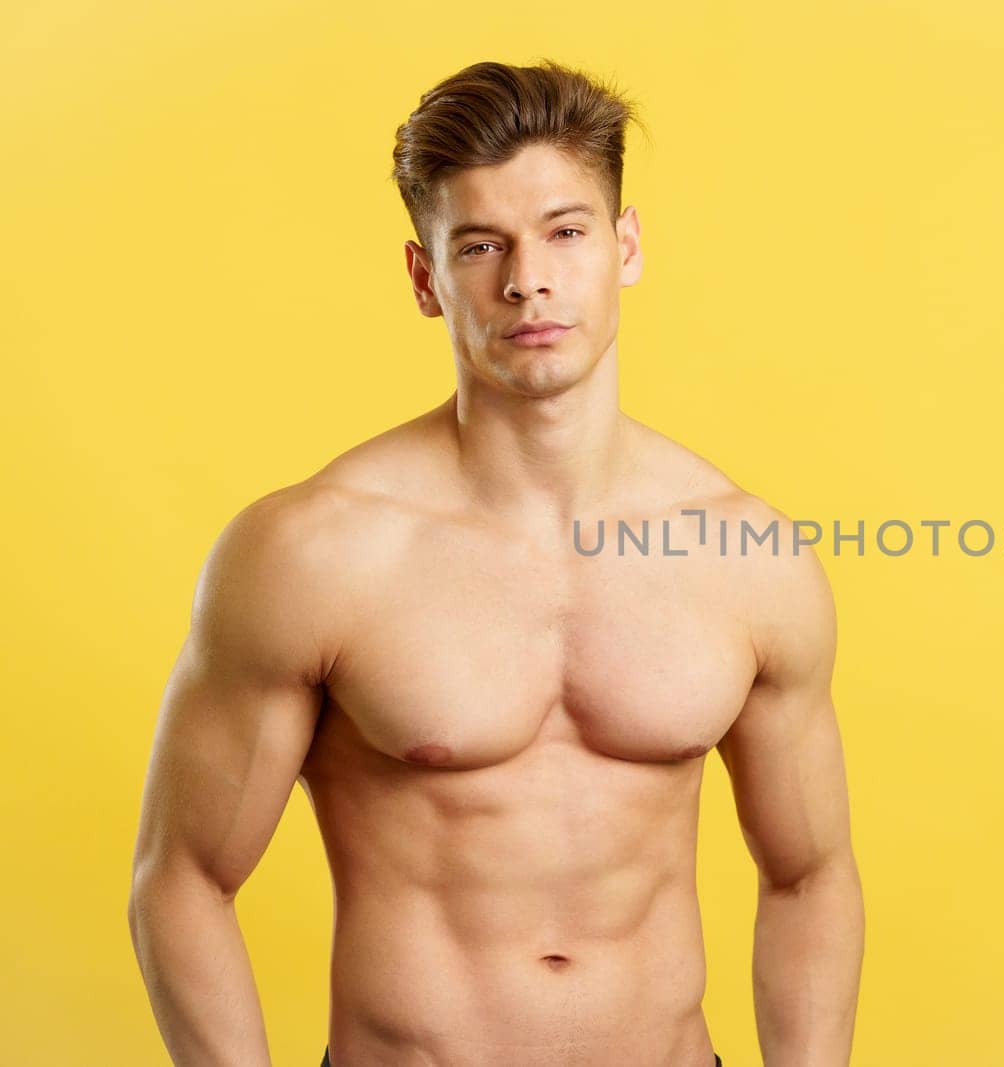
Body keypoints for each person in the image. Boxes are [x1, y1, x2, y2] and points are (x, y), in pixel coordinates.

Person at [127, 59, 865, 1067]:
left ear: (626, 246)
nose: (529, 280)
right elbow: (183, 878)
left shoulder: (748, 554)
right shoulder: (312, 551)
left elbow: (808, 875)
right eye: (481, 245)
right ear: (426, 279)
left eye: (567, 231)